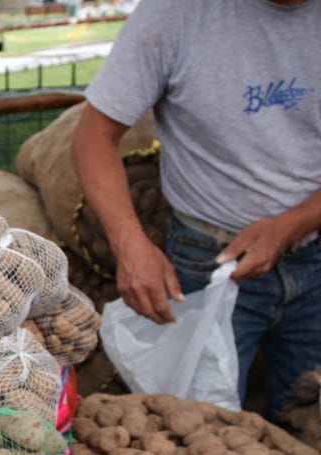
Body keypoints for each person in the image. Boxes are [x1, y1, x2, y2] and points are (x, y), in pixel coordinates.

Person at [72, 0, 321, 423]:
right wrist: (130, 245)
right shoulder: (176, 13)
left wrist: (290, 225)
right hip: (207, 261)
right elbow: (93, 136)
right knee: (202, 431)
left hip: (314, 258)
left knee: (307, 426)